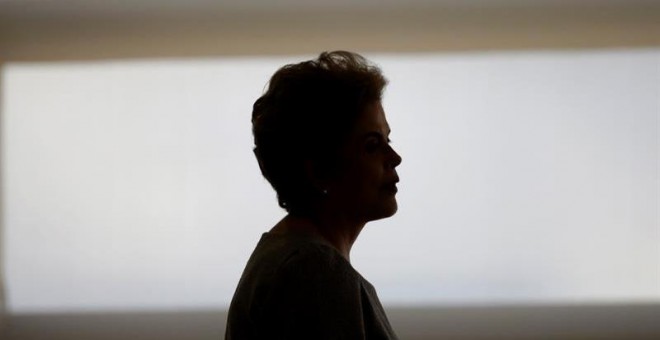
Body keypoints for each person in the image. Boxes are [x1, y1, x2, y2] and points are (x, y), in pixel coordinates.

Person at [225, 51, 402, 339]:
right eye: (372, 145)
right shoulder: (314, 272)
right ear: (319, 170)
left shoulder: (289, 257)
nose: (395, 157)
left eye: (388, 140)